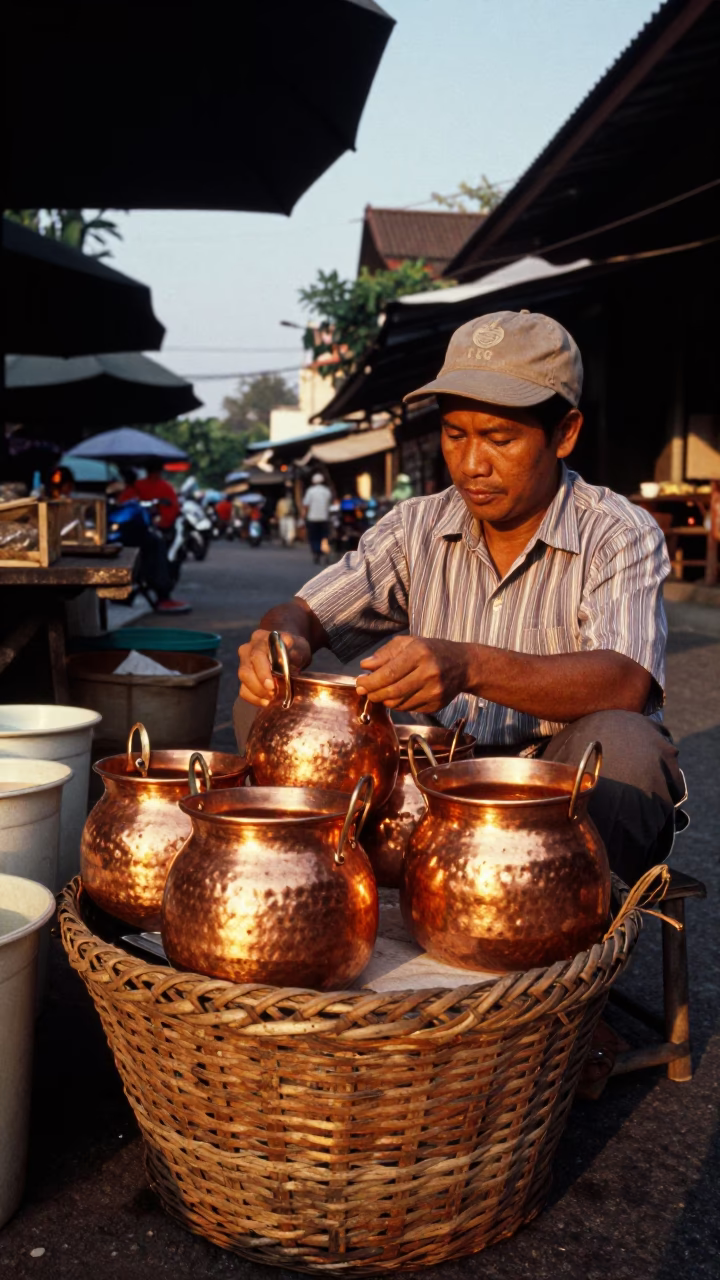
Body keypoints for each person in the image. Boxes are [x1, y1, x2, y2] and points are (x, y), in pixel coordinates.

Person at [238, 310, 686, 888]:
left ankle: (576, 948)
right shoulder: (416, 526)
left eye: (500, 439)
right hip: (425, 780)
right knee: (266, 704)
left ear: (565, 433)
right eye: (455, 435)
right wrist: (279, 640)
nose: (472, 464)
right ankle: (313, 892)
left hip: (553, 786)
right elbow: (305, 611)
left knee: (627, 750)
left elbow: (625, 680)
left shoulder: (619, 531)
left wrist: (469, 665)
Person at [118, 458, 180, 532]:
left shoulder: (138, 485)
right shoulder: (166, 486)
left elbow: (122, 502)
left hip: (155, 524)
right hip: (142, 522)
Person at [302, 472, 332, 564]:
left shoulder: (310, 491)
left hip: (312, 518)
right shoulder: (327, 491)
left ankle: (316, 553)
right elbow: (329, 504)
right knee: (324, 537)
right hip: (324, 518)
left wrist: (303, 516)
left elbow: (306, 505)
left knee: (314, 537)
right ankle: (326, 552)